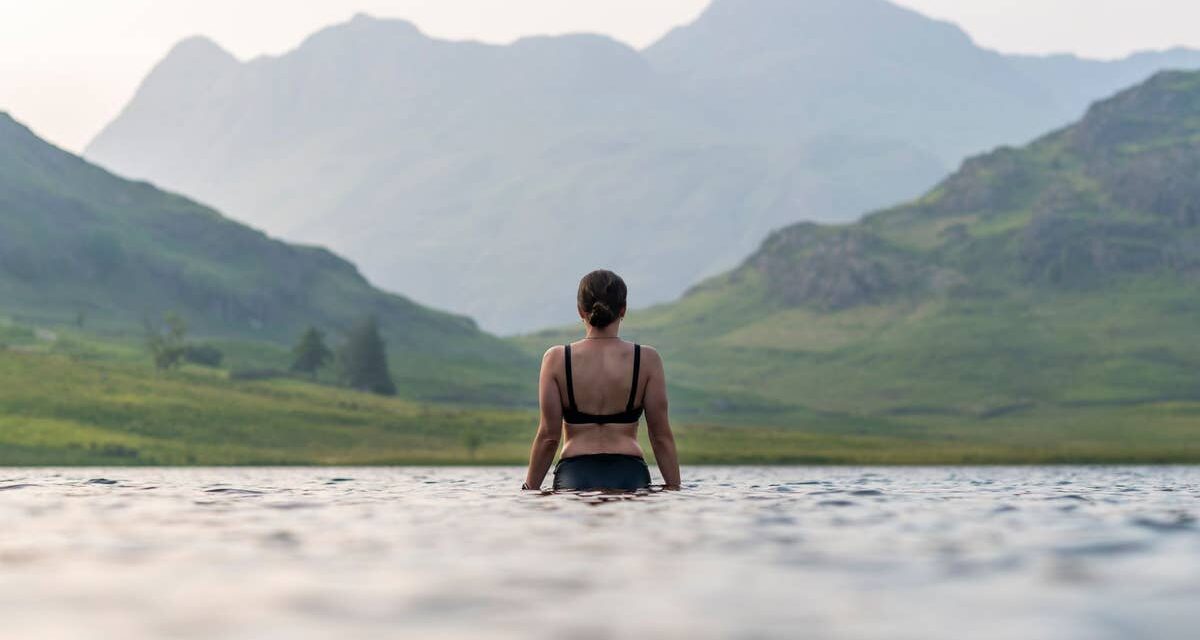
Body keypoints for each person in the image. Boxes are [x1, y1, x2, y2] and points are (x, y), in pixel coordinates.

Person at [523, 269, 681, 491]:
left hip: (575, 473)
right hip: (630, 473)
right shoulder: (647, 359)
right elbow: (660, 436)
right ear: (623, 310)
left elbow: (549, 438)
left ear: (580, 311)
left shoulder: (557, 359)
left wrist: (528, 489)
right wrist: (675, 488)